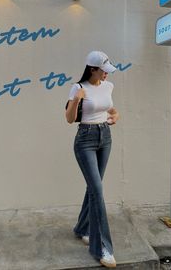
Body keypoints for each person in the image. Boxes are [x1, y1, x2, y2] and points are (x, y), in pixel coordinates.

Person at [65, 51, 119, 268]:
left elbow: (111, 109)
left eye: (107, 70)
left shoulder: (109, 86)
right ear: (92, 69)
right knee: (97, 191)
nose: (106, 74)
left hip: (105, 137)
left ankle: (82, 228)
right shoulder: (78, 88)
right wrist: (76, 100)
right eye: (103, 70)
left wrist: (115, 116)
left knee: (93, 188)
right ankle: (101, 247)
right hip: (85, 139)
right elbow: (69, 119)